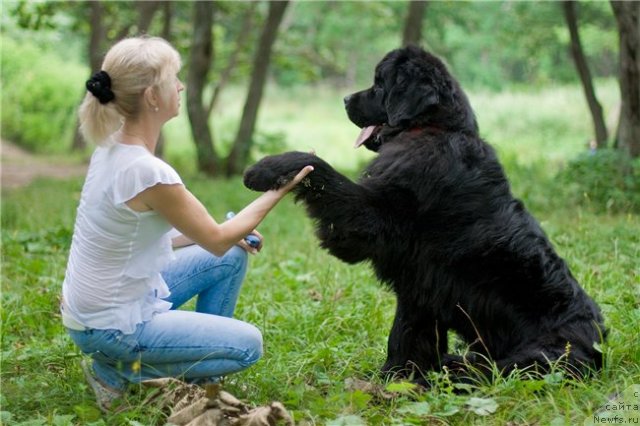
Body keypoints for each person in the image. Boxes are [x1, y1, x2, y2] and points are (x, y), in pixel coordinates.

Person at [60, 36, 313, 412]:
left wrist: (234, 232)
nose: (180, 86)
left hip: (97, 311)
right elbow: (214, 238)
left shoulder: (113, 146)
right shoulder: (148, 171)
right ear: (152, 96)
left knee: (230, 257)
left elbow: (156, 236)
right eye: (173, 79)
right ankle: (118, 371)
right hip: (110, 327)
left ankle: (197, 373)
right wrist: (280, 188)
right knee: (247, 345)